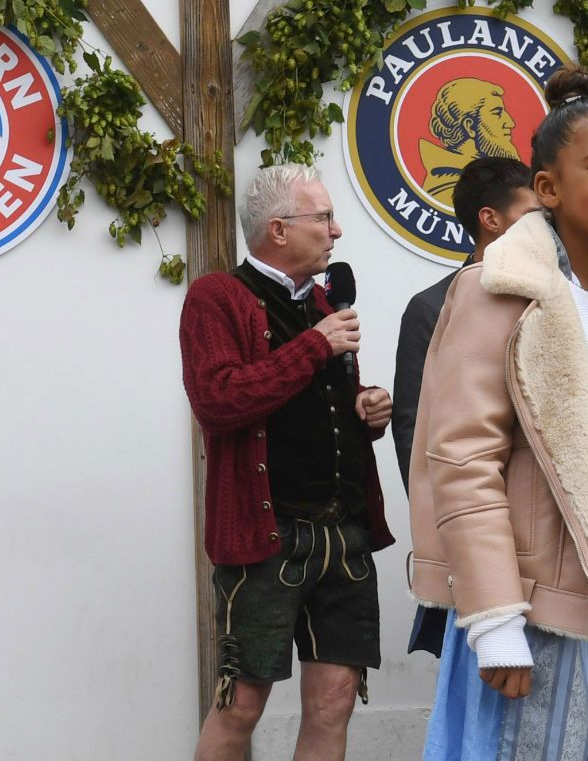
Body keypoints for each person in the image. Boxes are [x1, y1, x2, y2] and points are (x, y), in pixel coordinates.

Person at [408, 68, 588, 759]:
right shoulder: (496, 288)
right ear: (550, 189)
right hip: (526, 609)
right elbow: (462, 459)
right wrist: (495, 619)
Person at [179, 164, 395, 761]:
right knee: (241, 704)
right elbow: (219, 401)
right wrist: (315, 345)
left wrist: (364, 411)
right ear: (278, 229)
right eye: (324, 217)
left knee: (335, 700)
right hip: (267, 539)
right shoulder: (218, 297)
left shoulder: (325, 303)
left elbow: (311, 410)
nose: (337, 231)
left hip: (343, 534)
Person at [391, 156, 536, 657]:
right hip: (477, 541)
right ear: (490, 220)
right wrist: (462, 536)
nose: (546, 231)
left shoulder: (557, 300)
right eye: (531, 217)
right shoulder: (432, 307)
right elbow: (417, 437)